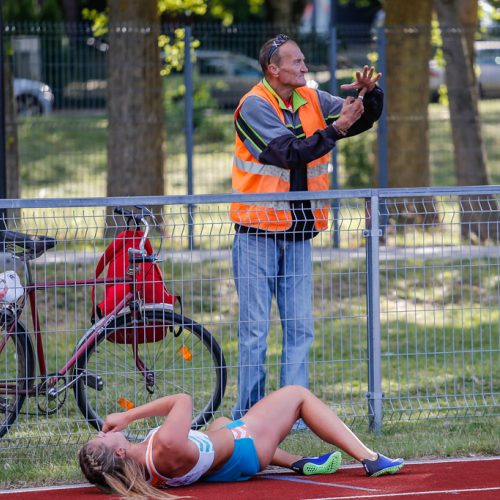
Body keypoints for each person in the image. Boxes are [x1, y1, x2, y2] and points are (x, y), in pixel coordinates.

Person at [230, 34, 384, 422]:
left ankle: (290, 417)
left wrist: (370, 94)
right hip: (257, 235)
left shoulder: (312, 98)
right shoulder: (253, 106)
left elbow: (359, 118)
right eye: (296, 61)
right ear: (273, 69)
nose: (305, 66)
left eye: (304, 60)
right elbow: (286, 153)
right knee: (254, 335)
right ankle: (248, 418)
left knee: (300, 331)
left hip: (298, 235)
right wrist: (336, 131)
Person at [78, 387, 404, 498]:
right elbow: (182, 400)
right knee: (298, 395)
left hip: (223, 467)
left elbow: (101, 468)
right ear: (118, 450)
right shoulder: (164, 444)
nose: (105, 430)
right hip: (247, 445)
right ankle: (370, 458)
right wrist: (127, 416)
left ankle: (297, 462)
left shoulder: (135, 475)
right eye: (103, 436)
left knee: (219, 423)